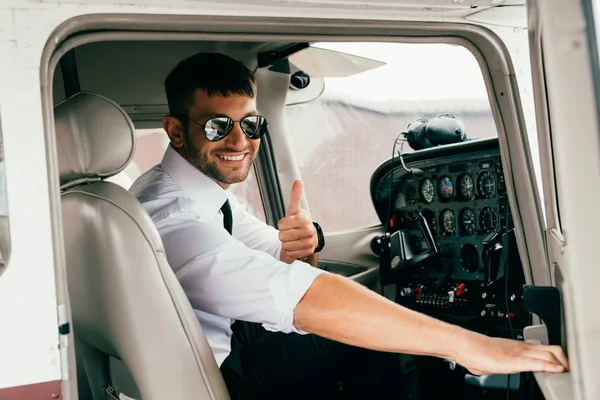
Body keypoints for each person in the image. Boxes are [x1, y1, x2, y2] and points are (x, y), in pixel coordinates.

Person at [129, 52, 568, 399]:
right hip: (218, 376)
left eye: (251, 123)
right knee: (370, 340)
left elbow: (274, 259)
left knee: (371, 321)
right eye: (218, 126)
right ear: (175, 130)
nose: (240, 142)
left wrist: (302, 244)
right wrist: (468, 345)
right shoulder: (173, 220)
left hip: (215, 351)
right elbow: (298, 295)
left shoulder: (191, 192)